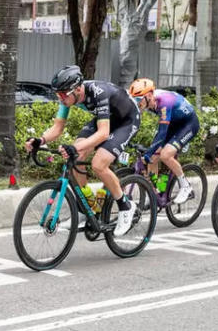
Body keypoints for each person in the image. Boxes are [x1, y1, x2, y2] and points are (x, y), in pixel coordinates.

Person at [24, 65, 140, 237]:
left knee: (98, 164)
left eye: (63, 94)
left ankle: (126, 206)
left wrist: (75, 147)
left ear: (78, 89)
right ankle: (88, 208)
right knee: (75, 157)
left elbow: (103, 133)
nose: (60, 98)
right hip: (107, 119)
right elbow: (57, 127)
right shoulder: (68, 97)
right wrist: (40, 140)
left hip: (126, 121)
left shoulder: (99, 92)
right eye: (58, 94)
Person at [128, 78, 200, 203]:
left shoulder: (164, 102)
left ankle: (186, 187)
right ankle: (157, 192)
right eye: (135, 100)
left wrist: (149, 152)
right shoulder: (149, 101)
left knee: (165, 155)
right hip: (173, 123)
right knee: (152, 160)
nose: (137, 103)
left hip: (188, 124)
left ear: (149, 95)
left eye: (139, 99)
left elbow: (162, 133)